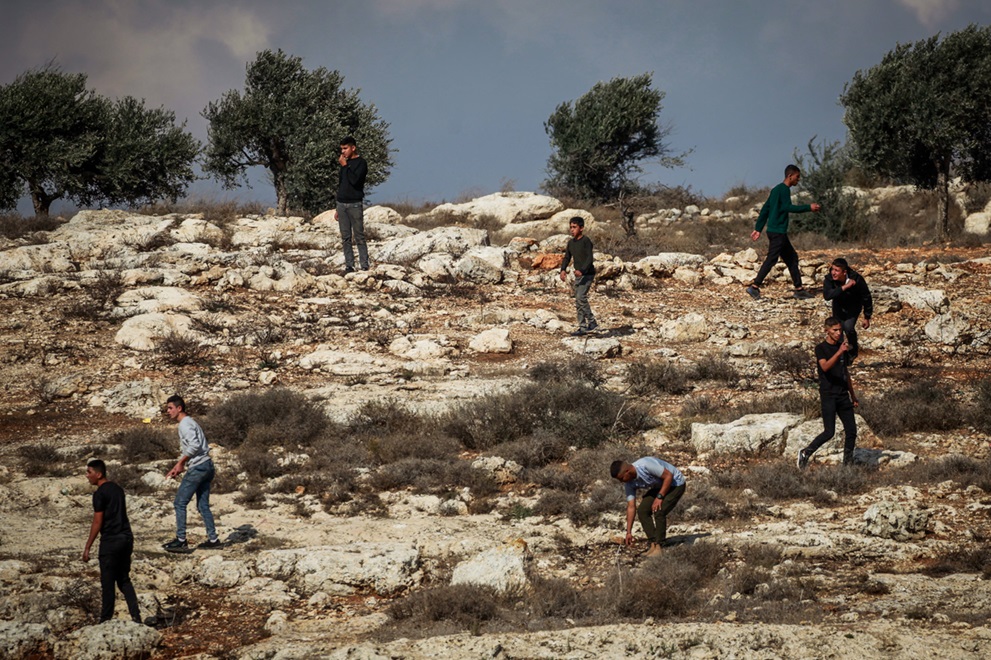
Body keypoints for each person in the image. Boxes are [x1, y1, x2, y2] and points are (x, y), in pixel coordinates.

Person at [746, 165, 822, 300]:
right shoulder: (784, 190)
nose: (798, 180)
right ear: (790, 176)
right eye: (797, 177)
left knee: (792, 258)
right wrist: (808, 207)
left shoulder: (775, 190)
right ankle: (754, 287)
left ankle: (799, 290)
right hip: (778, 232)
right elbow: (788, 207)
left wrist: (758, 228)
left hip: (775, 231)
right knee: (771, 259)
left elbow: (765, 209)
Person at [83, 459, 142, 624]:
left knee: (107, 583)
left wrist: (87, 547)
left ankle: (105, 620)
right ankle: (136, 617)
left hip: (111, 541)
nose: (87, 476)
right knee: (124, 579)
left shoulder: (99, 494)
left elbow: (97, 522)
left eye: (89, 472)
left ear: (98, 474)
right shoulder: (118, 489)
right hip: (126, 538)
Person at [798, 317, 859, 469]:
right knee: (829, 432)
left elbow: (845, 372)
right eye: (835, 330)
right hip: (828, 395)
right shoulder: (821, 348)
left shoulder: (842, 347)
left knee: (851, 430)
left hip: (843, 394)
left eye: (840, 330)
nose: (838, 333)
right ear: (827, 331)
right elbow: (824, 367)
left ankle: (847, 465)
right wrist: (839, 352)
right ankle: (806, 452)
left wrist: (853, 395)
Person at [162, 395, 220, 552]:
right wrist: (179, 465)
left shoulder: (184, 425)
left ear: (179, 408)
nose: (168, 411)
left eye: (170, 408)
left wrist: (180, 463)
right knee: (203, 505)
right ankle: (213, 539)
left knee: (179, 502)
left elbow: (194, 446)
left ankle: (181, 540)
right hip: (207, 465)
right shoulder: (191, 422)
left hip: (199, 468)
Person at [610, 457, 686, 557]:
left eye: (621, 478)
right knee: (642, 511)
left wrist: (659, 497)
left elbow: (668, 476)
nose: (621, 482)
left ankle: (659, 546)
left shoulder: (645, 465)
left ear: (627, 471)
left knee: (659, 510)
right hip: (659, 487)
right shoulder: (629, 484)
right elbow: (631, 506)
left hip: (675, 483)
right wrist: (628, 532)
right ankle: (653, 544)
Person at [822, 257, 873, 363]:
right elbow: (827, 295)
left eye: (837, 271)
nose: (833, 273)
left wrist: (867, 316)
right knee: (837, 330)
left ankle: (853, 352)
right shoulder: (829, 279)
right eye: (832, 269)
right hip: (838, 306)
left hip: (853, 306)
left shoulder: (857, 279)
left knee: (848, 328)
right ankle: (840, 356)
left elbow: (866, 297)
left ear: (844, 272)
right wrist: (844, 287)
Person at [335, 135, 369, 273]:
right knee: (345, 237)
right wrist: (337, 207)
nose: (343, 152)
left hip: (355, 204)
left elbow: (355, 181)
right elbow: (342, 184)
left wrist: (345, 166)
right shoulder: (344, 165)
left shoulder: (361, 163)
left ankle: (364, 265)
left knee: (359, 235)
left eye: (345, 148)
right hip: (341, 204)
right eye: (341, 149)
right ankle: (349, 265)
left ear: (353, 148)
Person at [559, 216, 598, 336]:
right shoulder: (571, 243)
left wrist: (582, 270)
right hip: (578, 274)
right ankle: (582, 327)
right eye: (571, 227)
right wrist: (563, 270)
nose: (572, 230)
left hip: (587, 274)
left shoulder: (586, 241)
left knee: (581, 297)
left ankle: (592, 322)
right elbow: (567, 257)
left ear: (581, 228)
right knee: (578, 300)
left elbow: (589, 259)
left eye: (574, 227)